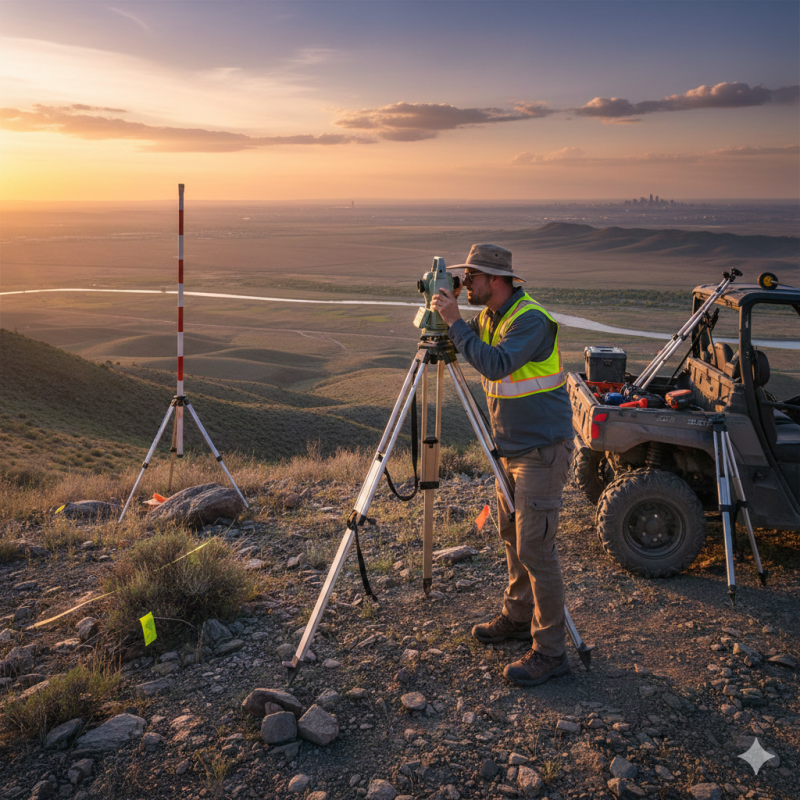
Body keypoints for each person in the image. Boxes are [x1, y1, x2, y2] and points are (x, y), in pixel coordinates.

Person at [430, 243, 575, 686]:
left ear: (494, 279)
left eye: (470, 278)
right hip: (509, 451)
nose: (465, 284)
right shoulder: (492, 317)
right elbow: (465, 343)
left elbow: (494, 364)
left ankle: (551, 652)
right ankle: (517, 616)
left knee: (536, 549)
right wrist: (445, 317)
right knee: (512, 538)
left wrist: (455, 320)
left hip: (541, 451)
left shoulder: (530, 319)